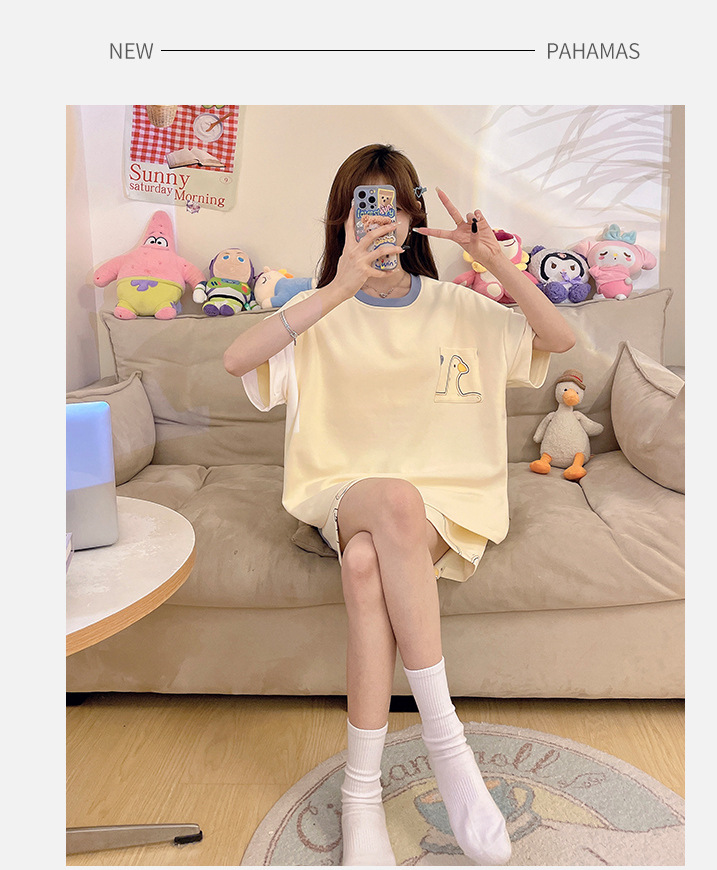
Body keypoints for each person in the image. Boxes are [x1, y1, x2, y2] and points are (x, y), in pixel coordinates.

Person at [224, 144, 575, 866]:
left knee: (364, 564)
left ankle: (360, 797)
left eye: (391, 207)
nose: (379, 223)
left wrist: (495, 262)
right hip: (344, 490)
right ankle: (449, 746)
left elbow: (561, 338)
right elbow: (236, 359)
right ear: (343, 221)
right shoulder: (316, 310)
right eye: (364, 209)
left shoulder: (460, 307)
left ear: (413, 218)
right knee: (388, 499)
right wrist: (338, 288)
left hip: (447, 501)